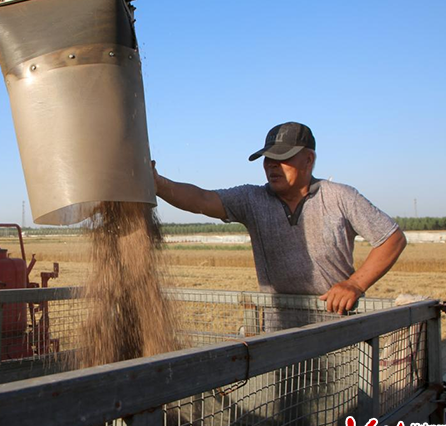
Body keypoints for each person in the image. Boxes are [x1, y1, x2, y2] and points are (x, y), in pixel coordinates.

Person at [153, 121, 406, 315]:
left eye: (283, 158)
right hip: (280, 332)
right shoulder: (252, 200)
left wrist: (355, 285)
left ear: (309, 160)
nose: (272, 166)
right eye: (268, 159)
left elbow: (392, 238)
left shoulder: (340, 197)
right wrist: (158, 183)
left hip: (336, 326)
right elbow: (201, 199)